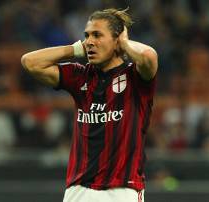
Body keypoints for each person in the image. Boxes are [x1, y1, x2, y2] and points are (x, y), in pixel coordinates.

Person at [21, 8, 158, 202]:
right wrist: (75, 49)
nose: (90, 41)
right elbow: (30, 62)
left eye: (97, 35)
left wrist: (125, 43)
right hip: (79, 190)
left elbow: (149, 56)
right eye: (87, 36)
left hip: (122, 190)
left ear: (117, 40)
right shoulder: (80, 76)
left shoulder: (134, 77)